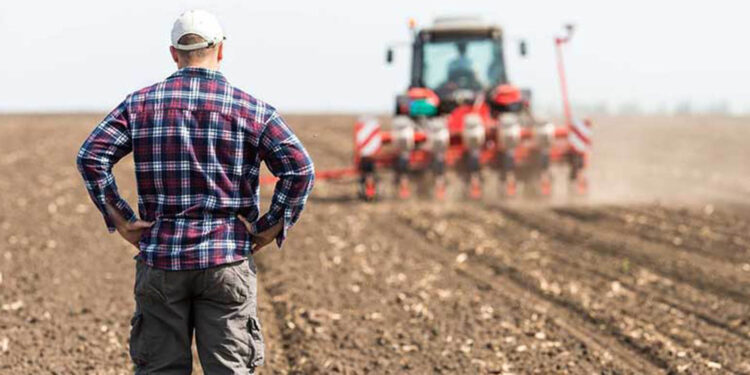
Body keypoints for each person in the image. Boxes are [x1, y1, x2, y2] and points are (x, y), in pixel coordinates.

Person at [76, 9, 314, 374]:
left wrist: (123, 220)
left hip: (162, 259)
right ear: (220, 50)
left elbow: (91, 155)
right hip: (227, 259)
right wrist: (271, 226)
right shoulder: (252, 110)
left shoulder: (139, 105)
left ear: (173, 53)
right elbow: (300, 167)